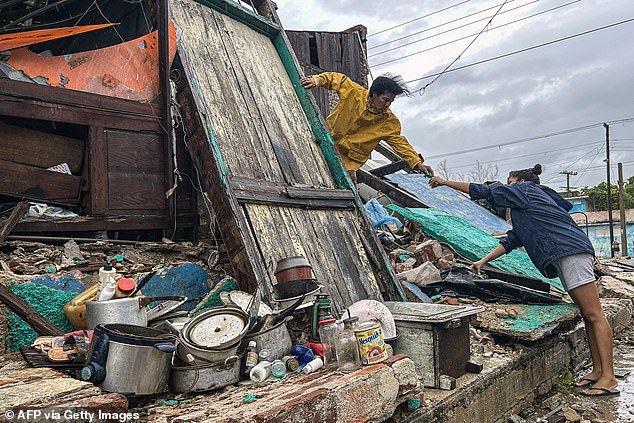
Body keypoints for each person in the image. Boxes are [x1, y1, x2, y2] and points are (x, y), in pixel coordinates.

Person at [429, 164, 619, 397]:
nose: (506, 187)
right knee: (588, 315)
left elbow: (484, 190)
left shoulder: (525, 190)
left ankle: (608, 378)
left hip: (569, 252)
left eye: (509, 181)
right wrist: (482, 261)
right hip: (564, 253)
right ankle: (598, 370)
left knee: (594, 314)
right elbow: (510, 241)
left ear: (518, 181)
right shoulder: (528, 207)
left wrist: (444, 182)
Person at [300, 72, 432, 184]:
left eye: (391, 102)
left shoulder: (388, 122)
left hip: (349, 160)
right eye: (385, 99)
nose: (387, 104)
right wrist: (316, 80)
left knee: (347, 185)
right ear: (374, 94)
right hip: (326, 140)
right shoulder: (354, 93)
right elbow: (336, 78)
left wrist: (417, 163)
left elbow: (400, 144)